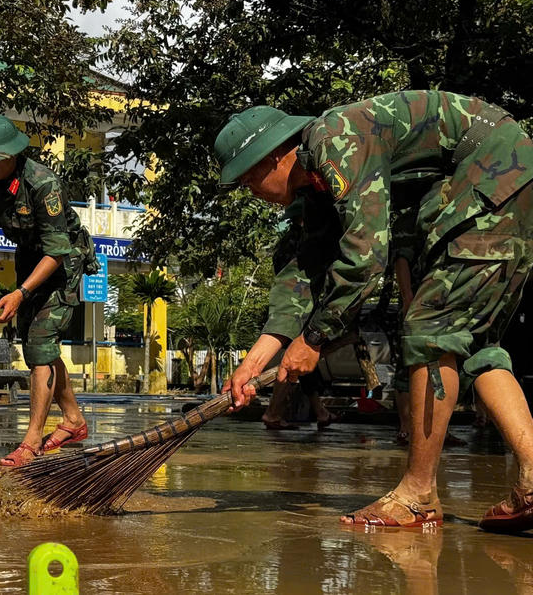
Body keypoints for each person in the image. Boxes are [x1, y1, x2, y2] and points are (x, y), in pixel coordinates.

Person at [217, 91, 533, 531]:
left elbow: (365, 255)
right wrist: (254, 363)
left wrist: (316, 339)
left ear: (272, 160)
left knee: (429, 331)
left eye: (250, 182)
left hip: (494, 170)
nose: (254, 194)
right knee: (473, 344)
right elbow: (305, 272)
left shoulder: (333, 138)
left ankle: (417, 495)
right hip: (506, 175)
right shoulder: (317, 186)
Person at [0, 115, 99, 467]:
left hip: (62, 260)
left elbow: (57, 250)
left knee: (40, 345)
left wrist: (19, 293)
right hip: (29, 257)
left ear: (13, 154)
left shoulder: (43, 184)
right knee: (38, 348)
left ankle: (31, 440)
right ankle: (74, 420)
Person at [240, 199, 336, 431]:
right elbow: (299, 282)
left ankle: (320, 412)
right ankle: (273, 413)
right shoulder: (304, 241)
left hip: (292, 310)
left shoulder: (287, 242)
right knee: (293, 364)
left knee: (304, 369)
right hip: (299, 311)